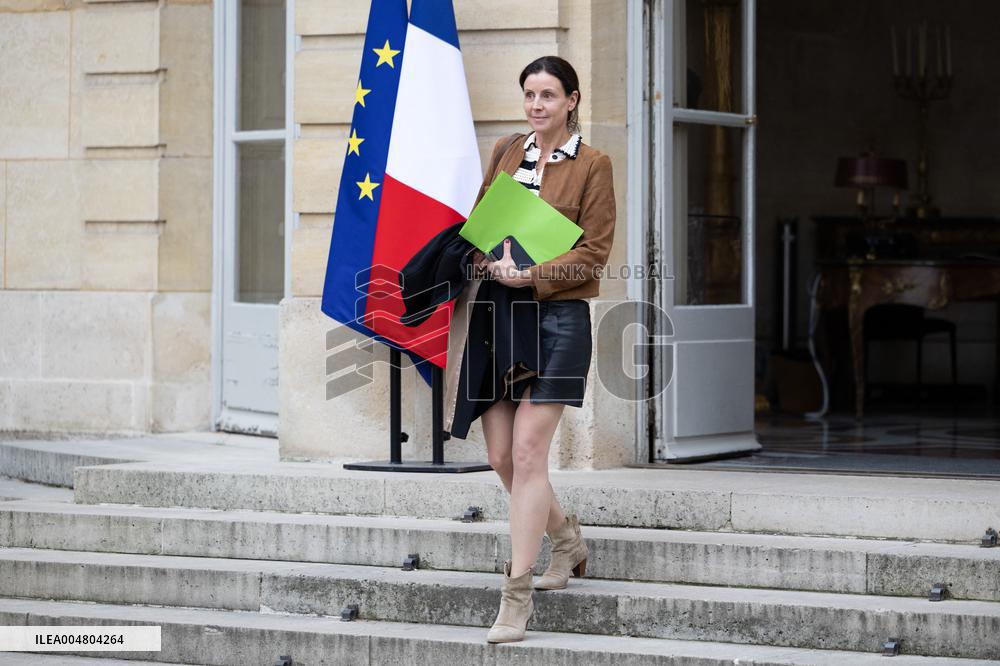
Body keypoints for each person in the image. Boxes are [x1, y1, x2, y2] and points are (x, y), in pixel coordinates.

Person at [472, 55, 616, 644]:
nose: (537, 105)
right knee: (502, 457)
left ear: (572, 100)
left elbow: (596, 252)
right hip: (499, 317)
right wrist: (488, 262)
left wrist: (529, 276)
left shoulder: (594, 164)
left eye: (549, 95)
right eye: (530, 94)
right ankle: (566, 539)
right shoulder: (508, 150)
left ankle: (516, 597)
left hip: (558, 318)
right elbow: (479, 225)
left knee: (530, 455)